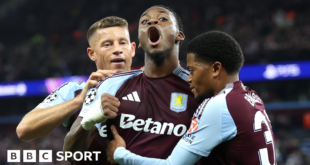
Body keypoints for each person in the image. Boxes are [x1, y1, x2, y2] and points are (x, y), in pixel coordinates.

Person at [108, 31, 277, 165]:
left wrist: (120, 154)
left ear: (216, 68)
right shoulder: (251, 97)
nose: (189, 78)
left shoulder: (219, 105)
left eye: (192, 70)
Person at [63, 5, 198, 162]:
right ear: (139, 41)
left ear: (179, 35)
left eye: (162, 19)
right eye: (144, 21)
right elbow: (71, 154)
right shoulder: (111, 85)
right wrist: (88, 121)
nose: (152, 22)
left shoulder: (197, 87)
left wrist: (122, 156)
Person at [16, 16, 136, 165]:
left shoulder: (156, 88)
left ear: (132, 49)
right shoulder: (74, 90)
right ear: (92, 54)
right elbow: (25, 129)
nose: (117, 49)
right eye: (107, 44)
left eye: (122, 42)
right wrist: (80, 101)